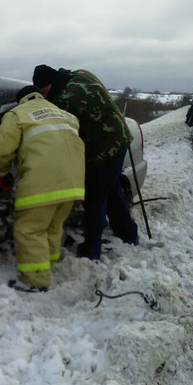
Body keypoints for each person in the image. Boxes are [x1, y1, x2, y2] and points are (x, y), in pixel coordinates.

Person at [32, 65, 138, 260]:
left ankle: (91, 251)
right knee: (112, 191)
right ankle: (129, 234)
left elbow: (65, 140)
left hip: (104, 151)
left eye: (44, 92)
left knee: (95, 200)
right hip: (120, 138)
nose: (45, 98)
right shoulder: (81, 74)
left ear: (50, 84)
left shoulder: (66, 100)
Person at [0, 85, 85, 292]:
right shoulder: (65, 115)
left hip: (42, 183)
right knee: (52, 226)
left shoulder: (17, 114)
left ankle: (35, 281)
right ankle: (48, 264)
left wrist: (0, 173)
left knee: (30, 229)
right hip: (73, 184)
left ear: (20, 100)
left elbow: (0, 150)